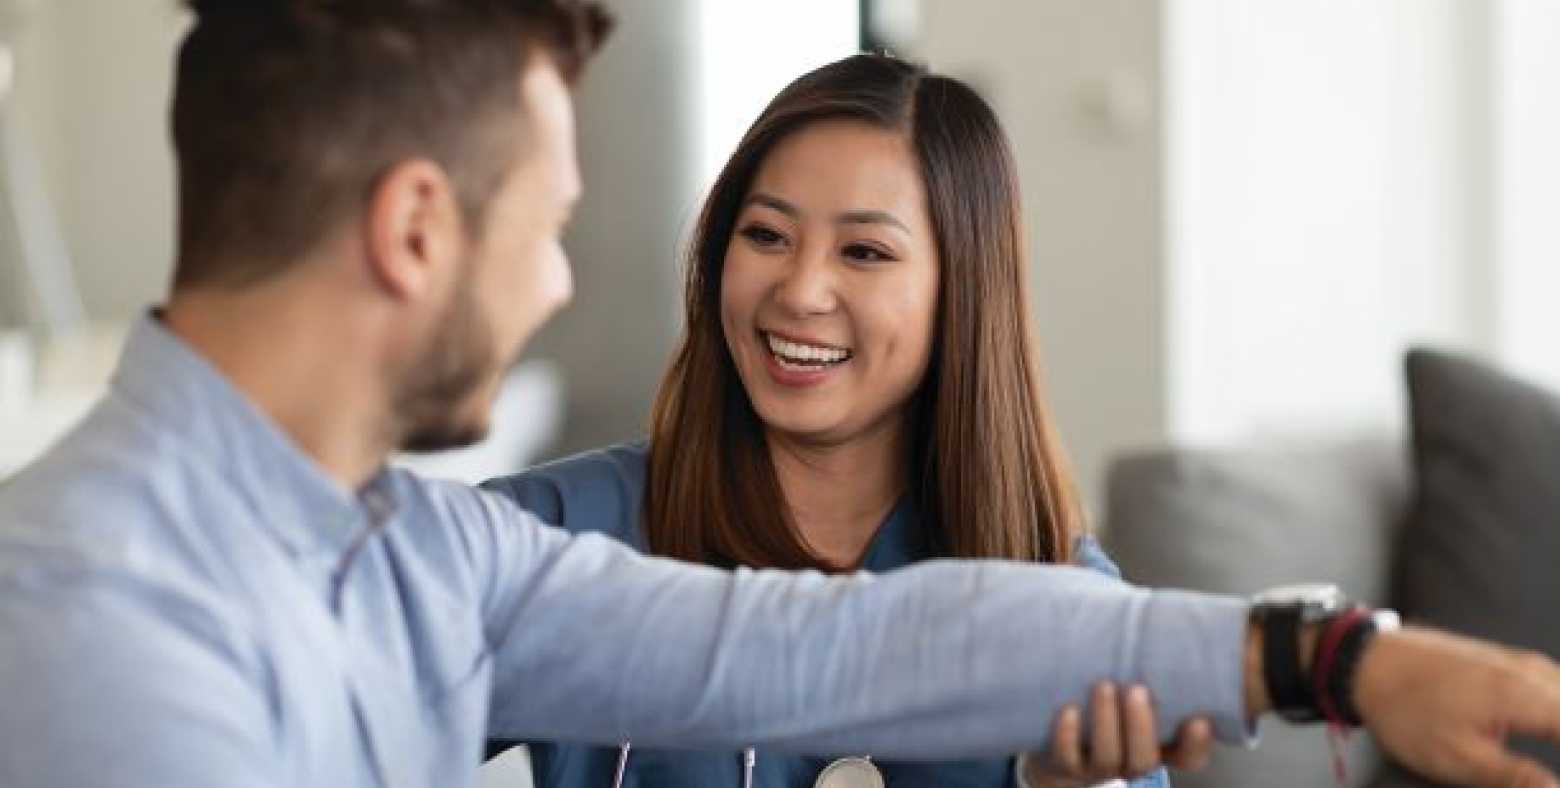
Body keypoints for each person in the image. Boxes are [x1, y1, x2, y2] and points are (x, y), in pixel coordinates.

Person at [2, 3, 1560, 788]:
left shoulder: (427, 558)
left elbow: (841, 641)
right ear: (418, 229)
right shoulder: (92, 629)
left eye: (866, 252)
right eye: (548, 228)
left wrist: (1336, 655)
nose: (560, 287)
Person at [483, 53, 1201, 788]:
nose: (800, 292)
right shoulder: (547, 534)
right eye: (766, 235)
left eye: (864, 251)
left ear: (962, 295)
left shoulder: (1065, 599)